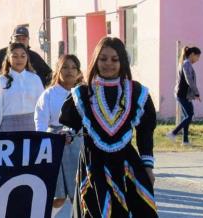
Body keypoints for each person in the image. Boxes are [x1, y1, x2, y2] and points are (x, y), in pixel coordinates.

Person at [60, 37, 157, 217]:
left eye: (114, 59)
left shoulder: (137, 92)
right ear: (96, 60)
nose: (108, 64)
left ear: (123, 61)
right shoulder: (81, 93)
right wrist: (67, 135)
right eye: (103, 59)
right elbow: (70, 127)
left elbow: (145, 132)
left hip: (126, 166)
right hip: (93, 166)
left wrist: (147, 167)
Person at [34, 54, 84, 217]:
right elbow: (40, 122)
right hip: (55, 146)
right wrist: (45, 145)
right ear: (58, 70)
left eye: (73, 67)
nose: (69, 71)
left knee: (80, 193)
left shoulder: (83, 94)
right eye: (65, 67)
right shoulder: (48, 95)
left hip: (78, 145)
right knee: (58, 196)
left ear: (78, 71)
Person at [0, 42, 43, 131]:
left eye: (23, 56)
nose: (19, 59)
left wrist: (42, 128)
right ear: (8, 58)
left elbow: (42, 107)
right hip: (8, 128)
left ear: (27, 58)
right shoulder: (1, 80)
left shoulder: (35, 79)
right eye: (15, 56)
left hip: (32, 128)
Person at [0, 26, 52, 91]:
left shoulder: (35, 58)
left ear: (28, 40)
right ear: (11, 39)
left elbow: (49, 76)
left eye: (23, 39)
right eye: (18, 39)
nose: (21, 41)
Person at [166, 46, 202, 145]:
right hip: (182, 94)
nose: (198, 59)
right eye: (197, 57)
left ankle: (185, 141)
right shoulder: (186, 64)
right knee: (189, 115)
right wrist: (196, 93)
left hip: (184, 94)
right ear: (192, 55)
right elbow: (189, 80)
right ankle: (173, 133)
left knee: (188, 115)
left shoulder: (186, 63)